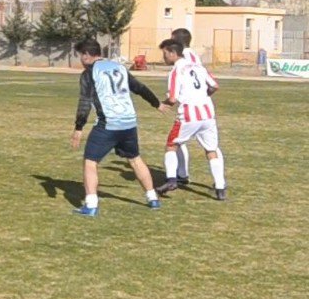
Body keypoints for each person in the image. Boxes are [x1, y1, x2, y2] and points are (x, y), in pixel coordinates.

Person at [70, 38, 170, 216]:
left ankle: (91, 205)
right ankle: (152, 198)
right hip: (129, 122)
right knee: (135, 159)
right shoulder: (119, 67)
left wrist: (79, 127)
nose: (80, 59)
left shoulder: (89, 73)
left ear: (86, 55)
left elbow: (85, 101)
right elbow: (139, 88)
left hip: (108, 123)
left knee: (90, 162)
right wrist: (156, 103)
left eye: (80, 55)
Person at [157, 39, 227, 200]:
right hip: (208, 113)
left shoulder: (176, 71)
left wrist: (162, 104)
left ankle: (172, 180)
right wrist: (202, 97)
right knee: (211, 150)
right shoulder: (198, 67)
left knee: (171, 145)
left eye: (165, 54)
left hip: (188, 115)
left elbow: (173, 98)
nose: (164, 57)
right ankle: (220, 187)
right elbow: (215, 85)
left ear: (173, 53)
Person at [165, 27, 206, 184]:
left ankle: (181, 174)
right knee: (183, 141)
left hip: (191, 105)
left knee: (176, 141)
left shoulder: (185, 56)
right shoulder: (193, 54)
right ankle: (182, 173)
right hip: (197, 103)